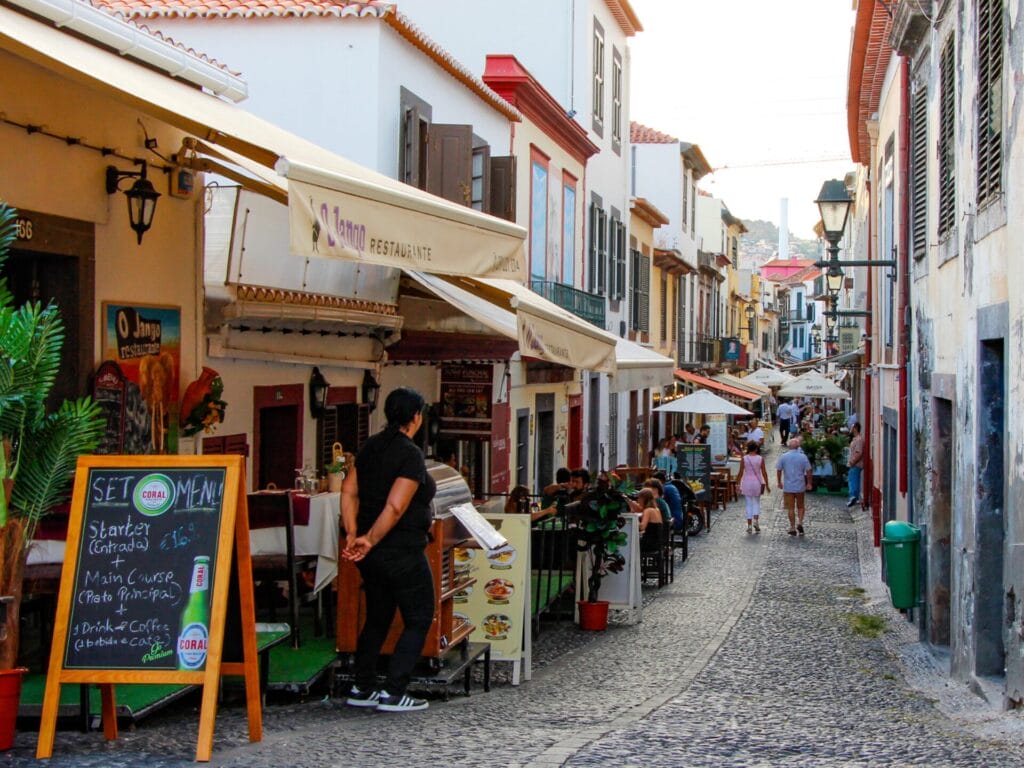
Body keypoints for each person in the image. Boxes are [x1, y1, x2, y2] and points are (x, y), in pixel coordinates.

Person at [341, 387, 435, 713]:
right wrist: (372, 538)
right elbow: (396, 506)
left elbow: (349, 491)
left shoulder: (369, 447)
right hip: (402, 549)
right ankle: (394, 691)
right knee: (420, 616)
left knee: (378, 617)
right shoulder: (410, 454)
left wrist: (354, 534)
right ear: (416, 416)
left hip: (372, 555)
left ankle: (362, 685)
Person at [776, 437, 813, 536]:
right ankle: (800, 522)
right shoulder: (803, 457)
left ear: (789, 446)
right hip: (800, 485)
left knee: (790, 508)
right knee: (800, 506)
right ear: (798, 446)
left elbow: (779, 469)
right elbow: (809, 470)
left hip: (788, 486)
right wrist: (809, 483)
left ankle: (792, 527)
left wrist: (779, 482)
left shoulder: (783, 457)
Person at [736, 440, 770, 533]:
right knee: (756, 503)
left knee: (748, 504)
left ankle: (749, 525)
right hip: (757, 483)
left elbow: (740, 472)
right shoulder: (760, 459)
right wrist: (767, 485)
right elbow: (764, 472)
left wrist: (737, 483)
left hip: (747, 482)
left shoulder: (744, 458)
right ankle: (756, 521)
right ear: (756, 449)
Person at [847, 422, 864, 508]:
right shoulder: (855, 439)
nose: (850, 428)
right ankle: (852, 497)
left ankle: (854, 497)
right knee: (851, 479)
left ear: (855, 428)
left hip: (855, 464)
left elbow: (858, 452)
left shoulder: (858, 440)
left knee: (853, 480)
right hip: (854, 464)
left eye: (852, 427)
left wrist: (852, 462)